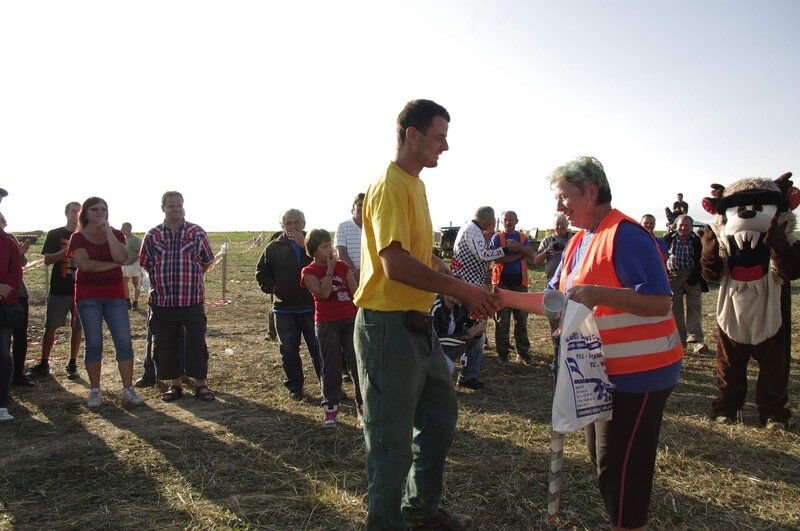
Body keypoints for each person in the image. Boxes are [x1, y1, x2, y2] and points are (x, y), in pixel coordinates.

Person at [354, 99, 502, 530]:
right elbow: (394, 265)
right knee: (390, 443)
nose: (446, 147)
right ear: (412, 135)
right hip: (388, 328)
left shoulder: (415, 185)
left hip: (418, 328)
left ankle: (420, 511)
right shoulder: (390, 185)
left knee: (439, 418)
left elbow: (411, 253)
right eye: (440, 137)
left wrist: (439, 267)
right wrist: (462, 288)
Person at [547, 156, 683, 530]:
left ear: (591, 193)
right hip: (601, 372)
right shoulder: (578, 241)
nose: (558, 206)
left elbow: (660, 302)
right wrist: (496, 298)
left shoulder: (627, 235)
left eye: (563, 197)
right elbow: (554, 298)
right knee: (602, 460)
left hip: (641, 374)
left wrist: (599, 293)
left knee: (621, 468)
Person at [140, 191, 216, 402]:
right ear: (163, 208)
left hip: (191, 299)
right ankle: (175, 385)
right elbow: (146, 263)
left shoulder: (196, 232)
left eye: (179, 205)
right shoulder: (153, 235)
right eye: (171, 206)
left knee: (196, 342)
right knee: (166, 344)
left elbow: (207, 260)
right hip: (162, 301)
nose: (176, 209)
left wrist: (192, 276)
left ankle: (201, 384)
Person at [68, 197, 143, 408]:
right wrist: (112, 264)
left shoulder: (116, 234)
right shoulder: (78, 237)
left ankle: (128, 389)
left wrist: (108, 231)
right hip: (88, 296)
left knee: (124, 341)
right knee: (94, 343)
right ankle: (95, 390)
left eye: (104, 209)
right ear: (85, 213)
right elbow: (85, 265)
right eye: (95, 209)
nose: (100, 212)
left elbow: (122, 257)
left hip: (115, 295)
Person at [256, 209, 322, 400]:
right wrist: (275, 288)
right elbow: (261, 273)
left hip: (311, 307)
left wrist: (305, 246)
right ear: (282, 226)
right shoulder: (273, 248)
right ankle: (294, 387)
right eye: (288, 223)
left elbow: (325, 264)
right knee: (289, 351)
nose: (293, 226)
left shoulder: (314, 243)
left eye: (296, 222)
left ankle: (328, 386)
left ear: (304, 223)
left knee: (318, 348)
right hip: (284, 309)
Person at [300, 229, 362, 427]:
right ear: (313, 251)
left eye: (330, 245)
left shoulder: (343, 267)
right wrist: (329, 270)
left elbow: (355, 293)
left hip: (349, 320)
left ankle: (362, 407)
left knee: (356, 363)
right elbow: (323, 293)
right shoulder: (309, 272)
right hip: (327, 322)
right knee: (331, 365)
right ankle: (330, 409)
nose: (329, 250)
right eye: (323, 246)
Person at [29, 202, 83, 379]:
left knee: (77, 327)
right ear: (66, 213)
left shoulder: (86, 235)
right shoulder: (55, 234)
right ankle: (44, 363)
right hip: (59, 288)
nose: (77, 214)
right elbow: (47, 260)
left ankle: (72, 363)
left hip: (81, 290)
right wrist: (67, 250)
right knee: (50, 326)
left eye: (80, 211)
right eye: (73, 211)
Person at [490, 210, 533, 364]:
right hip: (502, 286)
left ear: (516, 221)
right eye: (505, 220)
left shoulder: (522, 237)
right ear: (502, 222)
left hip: (520, 285)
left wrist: (518, 247)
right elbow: (498, 258)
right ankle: (503, 354)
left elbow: (530, 253)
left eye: (511, 219)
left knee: (521, 321)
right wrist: (518, 254)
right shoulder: (497, 237)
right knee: (502, 322)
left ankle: (523, 352)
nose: (508, 222)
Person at [533, 213, 574, 360]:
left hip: (570, 285)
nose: (560, 226)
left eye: (563, 224)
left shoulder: (573, 240)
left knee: (570, 320)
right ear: (553, 225)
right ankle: (557, 355)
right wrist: (548, 250)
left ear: (567, 225)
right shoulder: (547, 240)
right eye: (557, 224)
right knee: (555, 322)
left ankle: (569, 353)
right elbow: (536, 261)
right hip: (552, 286)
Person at [664, 215, 707, 351]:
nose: (683, 228)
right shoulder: (668, 238)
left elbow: (701, 262)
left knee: (694, 307)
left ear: (691, 226)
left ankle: (696, 339)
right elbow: (662, 256)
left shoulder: (697, 241)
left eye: (687, 225)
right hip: (673, 276)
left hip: (692, 275)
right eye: (681, 225)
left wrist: (691, 281)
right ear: (676, 225)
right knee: (675, 309)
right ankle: (680, 341)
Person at [430, 293, 487, 389]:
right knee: (448, 367)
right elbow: (434, 339)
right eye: (452, 289)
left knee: (479, 339)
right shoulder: (435, 306)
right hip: (434, 350)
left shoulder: (460, 305)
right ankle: (433, 383)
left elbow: (470, 324)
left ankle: (468, 378)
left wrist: (478, 329)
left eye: (458, 290)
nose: (456, 293)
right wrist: (466, 335)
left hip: (450, 345)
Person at [0, 210, 23, 421]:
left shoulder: (8, 242)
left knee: (2, 355)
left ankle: (2, 404)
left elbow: (16, 270)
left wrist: (4, 288)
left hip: (4, 304)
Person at [334, 193, 365, 284]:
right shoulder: (343, 226)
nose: (363, 208)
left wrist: (364, 272)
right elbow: (341, 253)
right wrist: (355, 273)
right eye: (360, 205)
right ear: (353, 207)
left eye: (366, 205)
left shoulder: (373, 228)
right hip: (351, 278)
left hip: (370, 276)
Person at [120, 222, 142, 310]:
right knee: (124, 283)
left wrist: (132, 262)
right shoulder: (123, 239)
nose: (121, 230)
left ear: (128, 229)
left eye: (123, 228)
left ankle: (135, 302)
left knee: (136, 283)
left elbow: (139, 253)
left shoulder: (135, 239)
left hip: (133, 264)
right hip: (124, 265)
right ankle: (127, 301)